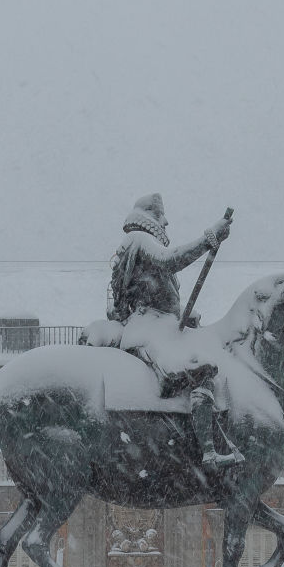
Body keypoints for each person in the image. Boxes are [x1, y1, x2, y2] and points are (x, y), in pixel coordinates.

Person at [107, 194, 241, 471]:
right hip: (150, 330)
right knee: (201, 369)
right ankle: (208, 452)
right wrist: (210, 238)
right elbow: (170, 260)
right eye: (161, 215)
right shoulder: (140, 239)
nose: (166, 222)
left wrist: (182, 315)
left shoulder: (138, 245)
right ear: (150, 216)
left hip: (156, 326)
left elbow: (157, 293)